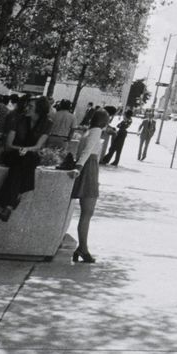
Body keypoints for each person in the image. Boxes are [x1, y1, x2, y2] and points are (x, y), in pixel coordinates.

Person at [69, 109, 109, 263]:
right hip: (89, 168)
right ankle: (83, 248)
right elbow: (87, 151)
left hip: (86, 166)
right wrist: (79, 167)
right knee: (87, 212)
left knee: (86, 212)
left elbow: (82, 150)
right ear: (103, 120)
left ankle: (83, 247)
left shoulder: (88, 131)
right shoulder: (97, 131)